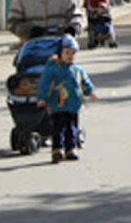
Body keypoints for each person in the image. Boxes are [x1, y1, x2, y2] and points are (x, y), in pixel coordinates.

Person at [36, 34, 98, 163]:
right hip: (57, 105)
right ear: (60, 53)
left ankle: (70, 150)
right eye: (67, 53)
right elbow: (45, 84)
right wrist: (42, 98)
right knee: (58, 128)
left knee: (72, 128)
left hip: (73, 105)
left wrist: (90, 91)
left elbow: (84, 82)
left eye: (73, 53)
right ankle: (57, 150)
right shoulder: (53, 69)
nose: (70, 56)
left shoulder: (77, 69)